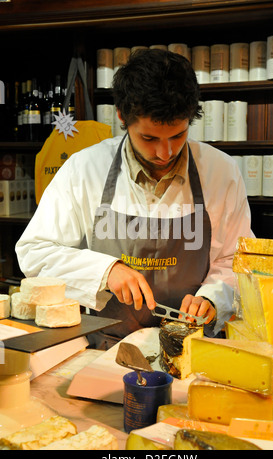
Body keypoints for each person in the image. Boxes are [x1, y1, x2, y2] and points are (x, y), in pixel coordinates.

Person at [16, 48, 253, 349]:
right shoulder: (84, 169)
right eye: (149, 138)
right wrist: (105, 271)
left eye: (178, 136)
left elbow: (237, 260)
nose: (165, 153)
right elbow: (34, 252)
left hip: (192, 349)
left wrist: (213, 297)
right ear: (121, 118)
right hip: (104, 347)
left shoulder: (221, 172)